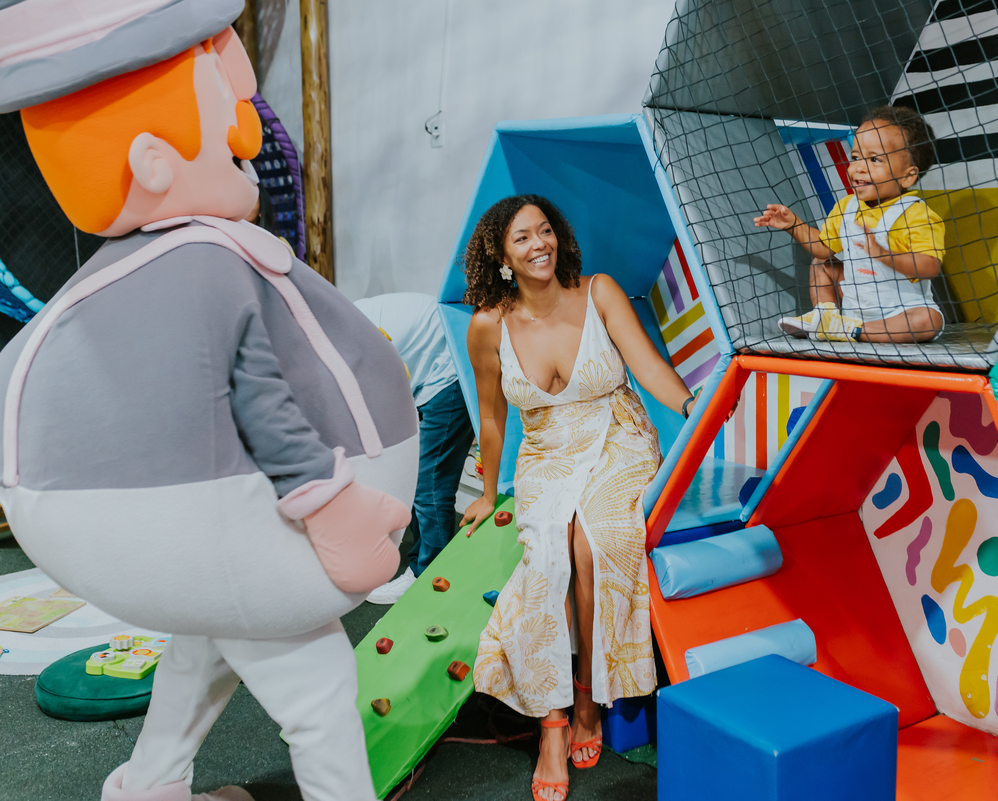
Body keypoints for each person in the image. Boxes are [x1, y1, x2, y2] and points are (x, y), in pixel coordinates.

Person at [0, 6, 416, 800]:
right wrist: (334, 506)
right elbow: (266, 409)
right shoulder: (211, 265)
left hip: (161, 530)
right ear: (152, 162)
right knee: (318, 687)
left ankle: (149, 783)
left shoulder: (114, 279)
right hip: (235, 531)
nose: (247, 136)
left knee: (203, 645)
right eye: (227, 124)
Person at [460, 195, 698, 801]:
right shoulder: (488, 325)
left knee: (596, 543)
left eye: (545, 231)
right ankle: (552, 722)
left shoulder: (599, 292)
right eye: (522, 237)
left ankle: (589, 697)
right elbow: (492, 419)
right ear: (501, 254)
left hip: (618, 434)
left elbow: (648, 367)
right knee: (547, 554)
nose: (539, 244)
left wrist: (695, 408)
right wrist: (487, 493)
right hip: (546, 451)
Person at [754, 105, 946, 343]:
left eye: (874, 159)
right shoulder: (846, 206)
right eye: (855, 157)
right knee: (821, 263)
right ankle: (825, 315)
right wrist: (794, 225)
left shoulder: (916, 214)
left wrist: (884, 255)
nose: (859, 167)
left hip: (900, 310)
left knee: (928, 321)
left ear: (907, 176)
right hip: (854, 303)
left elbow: (929, 266)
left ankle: (850, 331)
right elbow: (823, 249)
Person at [354, 293, 475, 603]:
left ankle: (430, 578)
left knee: (429, 483)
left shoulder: (338, 342)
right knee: (414, 476)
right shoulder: (330, 326)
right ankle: (424, 561)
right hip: (430, 362)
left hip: (449, 367)